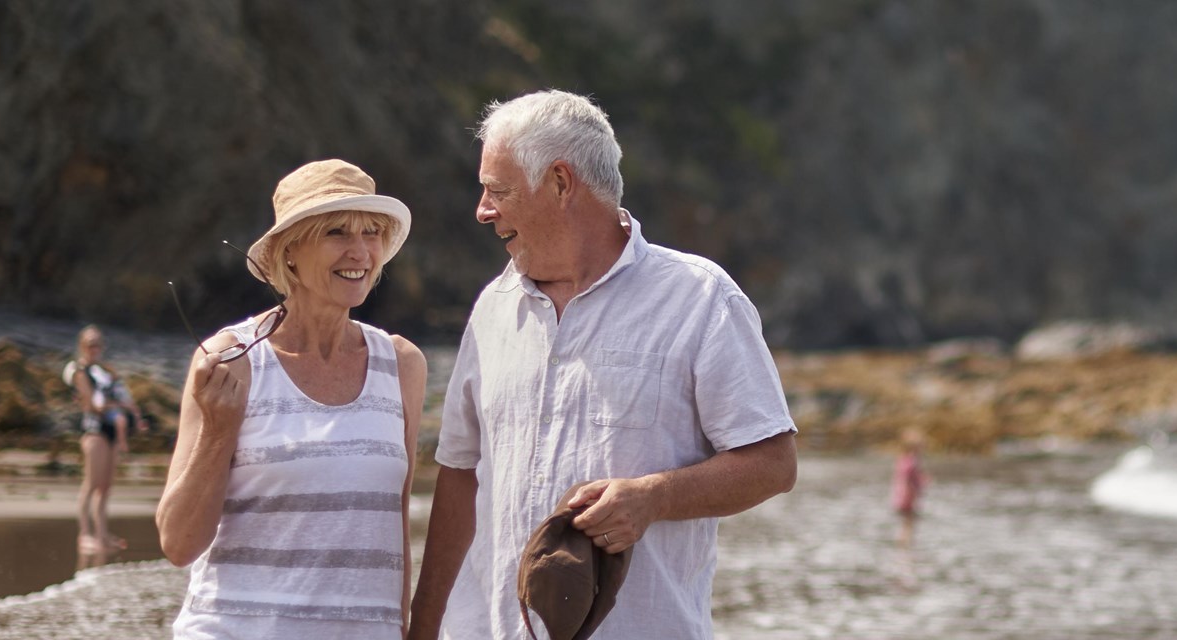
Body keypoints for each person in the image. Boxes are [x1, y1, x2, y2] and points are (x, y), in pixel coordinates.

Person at [410, 90, 798, 640]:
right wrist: (423, 628)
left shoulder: (701, 298)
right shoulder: (493, 307)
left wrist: (654, 498)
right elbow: (459, 475)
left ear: (561, 183)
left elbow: (774, 464)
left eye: (498, 191)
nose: (482, 210)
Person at [158, 159, 428, 639]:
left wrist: (404, 626)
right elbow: (178, 543)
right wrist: (219, 433)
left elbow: (395, 523)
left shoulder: (401, 363)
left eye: (372, 233)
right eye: (337, 232)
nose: (360, 251)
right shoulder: (234, 359)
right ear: (289, 253)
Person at [65, 325, 146, 556]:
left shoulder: (105, 372)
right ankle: (85, 534)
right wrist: (119, 407)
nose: (94, 348)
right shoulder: (79, 371)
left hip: (111, 431)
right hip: (94, 432)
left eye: (98, 344)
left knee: (106, 487)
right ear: (82, 345)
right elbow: (92, 405)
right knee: (91, 484)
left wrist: (128, 412)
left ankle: (101, 533)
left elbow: (116, 396)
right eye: (90, 344)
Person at [891, 428, 930, 549]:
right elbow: (909, 478)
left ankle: (904, 543)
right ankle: (906, 545)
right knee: (909, 523)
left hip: (901, 495)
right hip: (908, 497)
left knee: (907, 522)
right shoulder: (911, 461)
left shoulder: (903, 459)